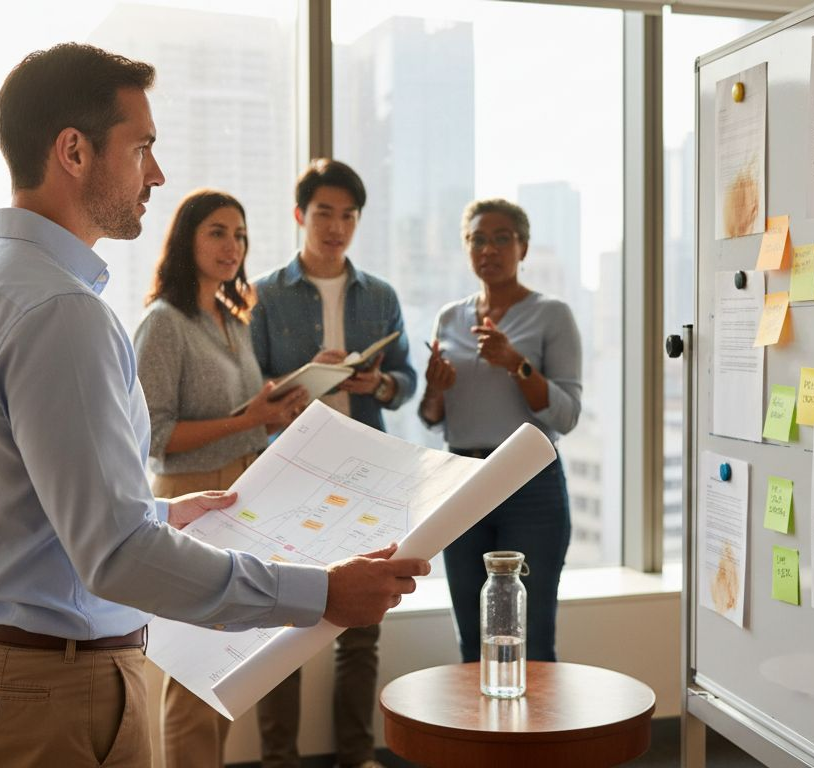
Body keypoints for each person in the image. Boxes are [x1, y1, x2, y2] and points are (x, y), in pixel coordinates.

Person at [0, 44, 428, 768]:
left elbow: (21, 510)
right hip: (53, 689)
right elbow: (116, 557)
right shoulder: (63, 312)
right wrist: (321, 594)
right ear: (73, 151)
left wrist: (159, 514)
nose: (156, 173)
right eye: (142, 147)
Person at [249, 159, 416, 768]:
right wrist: (299, 379)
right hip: (290, 472)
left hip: (367, 470)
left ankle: (354, 755)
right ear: (300, 216)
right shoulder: (265, 294)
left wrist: (380, 382)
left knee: (363, 627)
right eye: (324, 213)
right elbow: (251, 387)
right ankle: (278, 760)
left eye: (348, 216)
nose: (336, 226)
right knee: (281, 624)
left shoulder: (382, 295)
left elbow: (407, 381)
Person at [134, 189, 308, 768]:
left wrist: (272, 413)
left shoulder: (232, 319)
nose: (231, 245)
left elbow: (241, 418)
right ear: (187, 238)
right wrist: (247, 419)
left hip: (242, 493)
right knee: (190, 677)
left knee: (226, 670)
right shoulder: (163, 323)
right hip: (187, 501)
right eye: (216, 231)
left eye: (239, 233)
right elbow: (154, 436)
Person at [418, 198, 581, 664]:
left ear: (523, 246)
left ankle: (535, 738)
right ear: (467, 248)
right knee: (473, 635)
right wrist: (435, 388)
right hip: (461, 478)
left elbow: (566, 415)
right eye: (477, 239)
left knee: (530, 637)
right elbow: (433, 416)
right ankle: (482, 737)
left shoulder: (552, 314)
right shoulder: (451, 317)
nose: (488, 249)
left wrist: (517, 364)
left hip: (529, 483)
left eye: (501, 238)